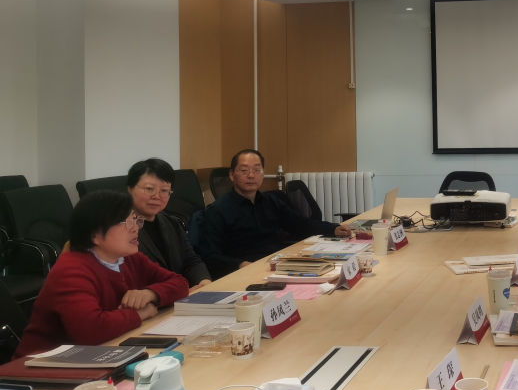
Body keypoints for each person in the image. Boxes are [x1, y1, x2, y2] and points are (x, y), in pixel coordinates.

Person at [14, 191, 188, 358]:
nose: (136, 228)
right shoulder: (72, 269)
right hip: (41, 366)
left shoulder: (130, 258)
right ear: (95, 235)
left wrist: (150, 293)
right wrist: (140, 314)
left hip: (99, 353)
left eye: (135, 220)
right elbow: (89, 330)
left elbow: (180, 284)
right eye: (126, 222)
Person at [197, 149, 350, 279]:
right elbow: (209, 255)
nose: (251, 175)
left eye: (257, 170)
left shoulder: (270, 202)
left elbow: (299, 224)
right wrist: (240, 264)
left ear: (263, 174)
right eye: (244, 171)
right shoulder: (218, 211)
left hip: (276, 267)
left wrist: (333, 229)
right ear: (231, 175)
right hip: (244, 274)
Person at [127, 158, 211, 289]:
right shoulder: (119, 228)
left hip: (180, 295)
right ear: (130, 189)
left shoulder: (173, 223)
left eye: (164, 190)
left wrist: (204, 283)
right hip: (148, 298)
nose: (157, 196)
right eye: (149, 189)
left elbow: (190, 261)